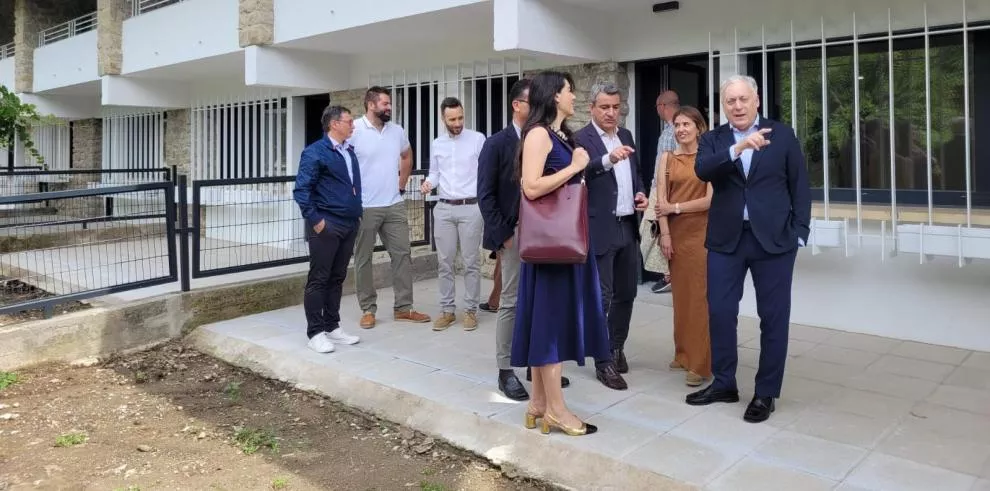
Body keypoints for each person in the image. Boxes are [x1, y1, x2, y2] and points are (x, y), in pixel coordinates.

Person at [687, 75, 811, 424]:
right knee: (720, 312)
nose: (738, 106)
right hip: (726, 240)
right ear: (723, 106)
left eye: (744, 99)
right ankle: (724, 383)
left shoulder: (782, 135)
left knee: (773, 317)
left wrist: (800, 232)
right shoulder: (713, 139)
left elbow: (800, 184)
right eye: (731, 101)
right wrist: (739, 147)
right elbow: (703, 170)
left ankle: (765, 392)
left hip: (774, 240)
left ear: (757, 100)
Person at [511, 71, 610, 436]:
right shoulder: (538, 134)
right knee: (551, 327)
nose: (574, 96)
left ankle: (538, 404)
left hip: (561, 246)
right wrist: (574, 167)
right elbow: (531, 187)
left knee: (546, 325)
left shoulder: (558, 134)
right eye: (570, 90)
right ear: (554, 95)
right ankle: (556, 410)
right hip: (552, 248)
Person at [478, 78, 571, 401]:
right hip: (515, 233)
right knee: (512, 301)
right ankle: (505, 369)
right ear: (517, 105)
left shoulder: (547, 137)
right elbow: (485, 195)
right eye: (534, 102)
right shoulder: (497, 144)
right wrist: (504, 235)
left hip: (545, 233)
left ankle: (538, 364)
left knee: (540, 300)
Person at [573, 82, 648, 391]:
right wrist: (608, 159)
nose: (611, 112)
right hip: (599, 227)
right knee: (600, 297)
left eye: (616, 107)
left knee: (626, 293)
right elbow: (580, 173)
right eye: (604, 107)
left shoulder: (626, 135)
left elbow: (636, 173)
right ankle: (602, 361)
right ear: (592, 107)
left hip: (627, 225)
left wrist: (640, 192)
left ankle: (616, 347)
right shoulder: (580, 139)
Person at [349, 86, 431, 329]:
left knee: (403, 255)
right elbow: (341, 161)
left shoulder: (397, 131)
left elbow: (406, 155)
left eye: (389, 103)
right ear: (370, 104)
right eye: (385, 103)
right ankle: (368, 309)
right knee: (363, 259)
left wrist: (401, 184)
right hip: (364, 206)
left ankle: (404, 308)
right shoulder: (354, 130)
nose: (389, 107)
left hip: (394, 203)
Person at [292, 105, 363, 353]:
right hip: (327, 225)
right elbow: (302, 190)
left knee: (337, 277)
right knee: (319, 278)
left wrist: (357, 213)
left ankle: (332, 326)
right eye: (349, 121)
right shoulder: (315, 152)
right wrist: (317, 221)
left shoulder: (348, 151)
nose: (353, 126)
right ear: (334, 124)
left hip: (349, 223)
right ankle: (315, 332)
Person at [654, 106, 713, 386]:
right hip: (675, 235)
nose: (681, 129)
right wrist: (665, 234)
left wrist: (675, 208)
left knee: (699, 299)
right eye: (677, 125)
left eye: (686, 124)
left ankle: (700, 364)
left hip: (701, 235)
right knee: (680, 297)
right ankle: (683, 353)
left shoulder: (708, 158)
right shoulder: (666, 158)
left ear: (699, 127)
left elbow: (710, 200)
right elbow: (660, 202)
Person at [421, 97, 486, 331]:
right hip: (444, 208)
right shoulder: (437, 143)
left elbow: (485, 172)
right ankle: (447, 311)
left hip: (471, 207)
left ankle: (470, 311)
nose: (457, 123)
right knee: (444, 262)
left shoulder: (477, 139)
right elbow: (435, 173)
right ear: (443, 119)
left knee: (471, 262)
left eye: (460, 118)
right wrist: (428, 183)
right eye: (452, 119)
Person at [646, 90, 680, 294]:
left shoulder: (673, 130)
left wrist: (661, 192)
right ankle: (669, 273)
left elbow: (669, 166)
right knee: (655, 231)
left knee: (651, 231)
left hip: (663, 190)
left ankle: (669, 274)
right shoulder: (673, 128)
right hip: (661, 189)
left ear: (662, 107)